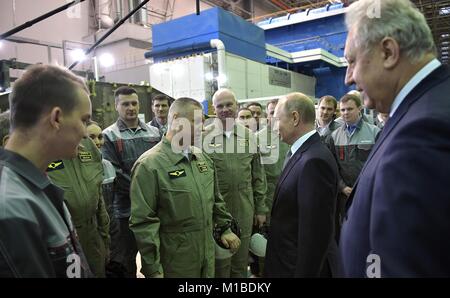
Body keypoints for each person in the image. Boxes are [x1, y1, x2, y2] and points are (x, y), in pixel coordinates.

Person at [340, 0, 450, 277]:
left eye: (351, 61)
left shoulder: (422, 133)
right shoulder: (427, 105)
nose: (348, 78)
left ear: (388, 52)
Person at [130, 97, 240, 277]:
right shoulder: (150, 165)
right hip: (176, 260)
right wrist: (153, 270)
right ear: (175, 119)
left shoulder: (202, 159)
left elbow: (216, 200)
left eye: (202, 122)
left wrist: (225, 228)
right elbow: (144, 223)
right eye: (195, 122)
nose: (202, 128)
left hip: (206, 252)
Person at [0, 64, 92, 277]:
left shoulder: (37, 187)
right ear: (56, 118)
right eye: (84, 120)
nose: (86, 133)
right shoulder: (11, 207)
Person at [264, 92, 340, 278]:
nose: (274, 127)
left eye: (277, 120)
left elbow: (315, 234)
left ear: (295, 118)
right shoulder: (301, 153)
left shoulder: (313, 161)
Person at [204, 88, 268, 278]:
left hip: (244, 209)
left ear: (237, 105)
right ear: (214, 109)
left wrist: (261, 209)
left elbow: (258, 175)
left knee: (240, 263)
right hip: (215, 211)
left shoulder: (250, 137)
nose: (225, 109)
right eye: (220, 106)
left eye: (229, 104)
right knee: (219, 264)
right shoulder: (203, 137)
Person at [102, 86, 161, 277]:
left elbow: (160, 166)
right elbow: (115, 175)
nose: (131, 107)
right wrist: (146, 193)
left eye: (134, 103)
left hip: (154, 210)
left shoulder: (154, 133)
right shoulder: (108, 136)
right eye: (125, 104)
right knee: (126, 260)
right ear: (117, 107)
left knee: (155, 258)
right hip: (125, 211)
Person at [47, 136, 110, 278]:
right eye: (83, 120)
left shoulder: (86, 143)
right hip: (66, 241)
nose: (84, 130)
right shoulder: (42, 146)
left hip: (93, 238)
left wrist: (105, 241)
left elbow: (99, 198)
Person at [326, 93, 380, 242]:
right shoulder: (334, 136)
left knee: (369, 232)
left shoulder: (374, 132)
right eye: (342, 110)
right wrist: (342, 187)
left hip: (368, 193)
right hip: (345, 195)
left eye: (349, 109)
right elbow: (332, 167)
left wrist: (365, 187)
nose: (345, 113)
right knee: (346, 233)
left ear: (359, 109)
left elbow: (378, 164)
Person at [252, 99, 290, 277]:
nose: (274, 116)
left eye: (278, 112)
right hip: (267, 201)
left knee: (287, 242)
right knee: (265, 245)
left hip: (289, 199)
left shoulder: (291, 135)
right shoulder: (257, 139)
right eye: (271, 112)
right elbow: (256, 176)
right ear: (267, 115)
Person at [86, 120, 123, 276]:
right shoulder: (79, 170)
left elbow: (112, 204)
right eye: (91, 137)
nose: (97, 142)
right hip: (90, 233)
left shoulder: (108, 166)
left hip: (111, 229)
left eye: (100, 137)